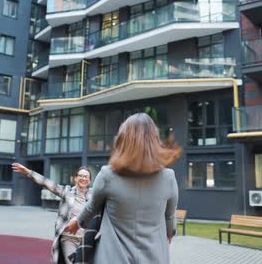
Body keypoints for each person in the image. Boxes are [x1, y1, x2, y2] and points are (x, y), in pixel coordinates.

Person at [65, 113, 181, 263]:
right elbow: (169, 217)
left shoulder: (107, 175)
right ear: (154, 140)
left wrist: (78, 222)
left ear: (122, 139)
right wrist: (170, 233)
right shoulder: (168, 177)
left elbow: (93, 206)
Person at [12, 162, 92, 264]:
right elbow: (47, 183)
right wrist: (28, 172)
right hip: (69, 239)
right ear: (75, 178)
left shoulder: (94, 196)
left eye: (86, 176)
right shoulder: (66, 191)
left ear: (89, 180)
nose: (83, 178)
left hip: (86, 240)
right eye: (80, 175)